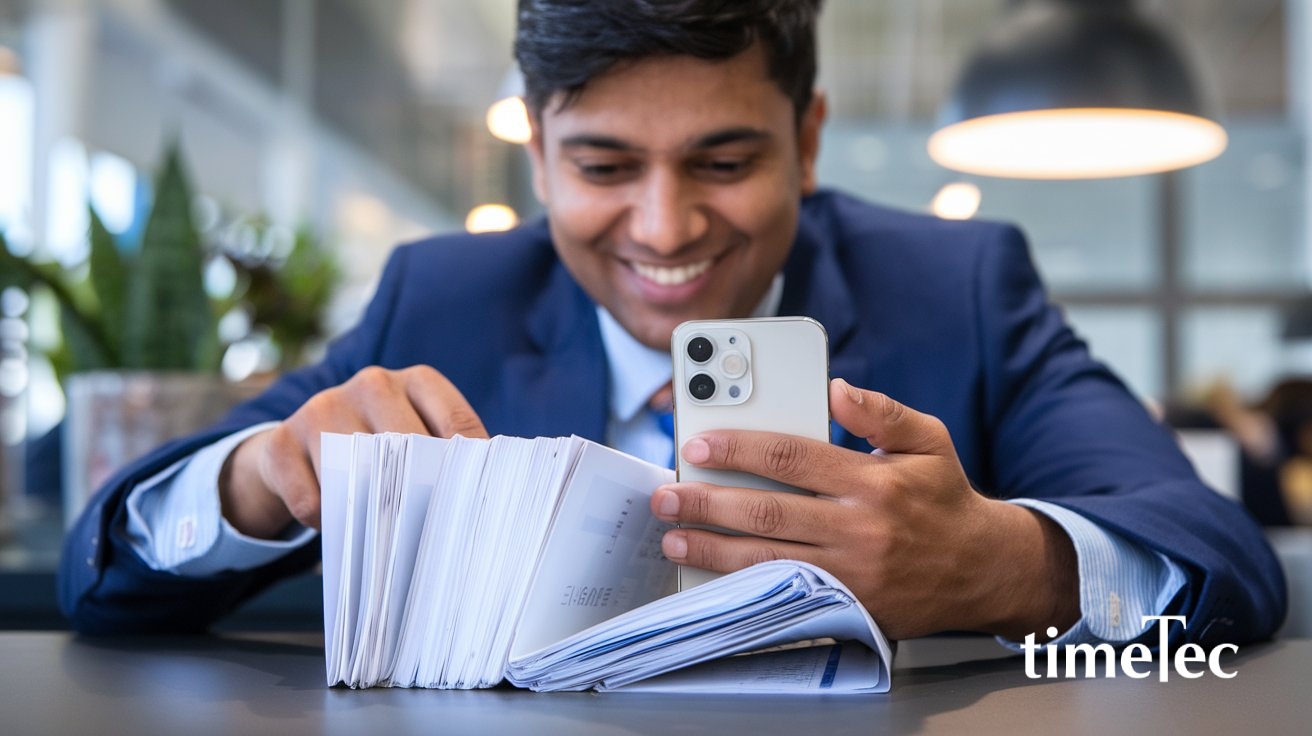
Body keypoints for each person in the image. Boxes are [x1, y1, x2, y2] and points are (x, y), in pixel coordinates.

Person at [59, 0, 1284, 649]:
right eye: (602, 164)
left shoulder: (956, 285)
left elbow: (1213, 550)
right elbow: (102, 576)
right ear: (536, 154)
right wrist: (259, 472)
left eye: (723, 158)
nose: (663, 226)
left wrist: (997, 563)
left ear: (806, 139)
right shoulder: (439, 298)